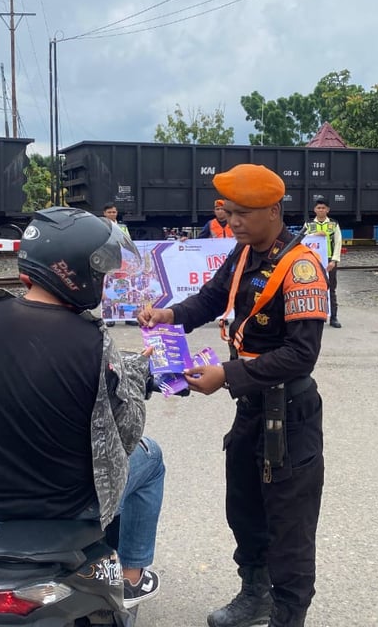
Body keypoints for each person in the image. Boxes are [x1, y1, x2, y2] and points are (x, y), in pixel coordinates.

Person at [0, 207, 165, 627]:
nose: (103, 279)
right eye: (99, 271)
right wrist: (134, 378)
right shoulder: (92, 341)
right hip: (71, 505)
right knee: (152, 460)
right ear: (75, 272)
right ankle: (132, 576)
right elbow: (125, 434)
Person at [139, 164, 328, 627]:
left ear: (274, 211)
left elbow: (301, 355)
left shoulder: (302, 268)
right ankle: (255, 597)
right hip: (252, 408)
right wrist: (169, 316)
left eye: (244, 213)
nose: (233, 221)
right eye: (230, 212)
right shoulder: (243, 253)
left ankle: (288, 616)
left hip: (291, 414)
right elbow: (209, 299)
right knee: (244, 511)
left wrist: (227, 374)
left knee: (289, 527)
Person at [304, 198, 343, 328]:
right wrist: (315, 234)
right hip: (313, 261)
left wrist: (334, 261)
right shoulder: (309, 224)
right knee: (311, 288)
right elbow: (302, 239)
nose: (321, 210)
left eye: (323, 208)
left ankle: (333, 317)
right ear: (314, 210)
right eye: (319, 208)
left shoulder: (333, 224)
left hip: (329, 261)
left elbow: (338, 242)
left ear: (328, 210)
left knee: (330, 288)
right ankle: (311, 317)